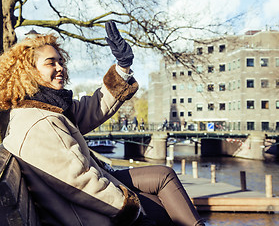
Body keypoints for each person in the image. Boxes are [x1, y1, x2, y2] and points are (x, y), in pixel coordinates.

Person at [0, 21, 205, 226]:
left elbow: (92, 108)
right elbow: (80, 182)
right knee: (161, 204)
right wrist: (133, 210)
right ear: (28, 71)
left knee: (163, 177)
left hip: (86, 205)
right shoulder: (41, 122)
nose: (60, 67)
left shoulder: (44, 107)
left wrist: (123, 67)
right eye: (50, 63)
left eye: (61, 61)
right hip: (86, 216)